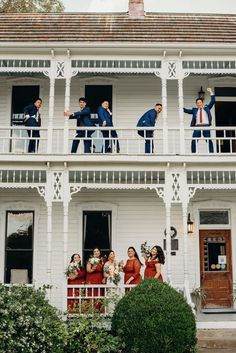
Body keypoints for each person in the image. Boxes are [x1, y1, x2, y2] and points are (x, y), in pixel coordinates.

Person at [183, 87, 215, 153]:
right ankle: (193, 153)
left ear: (202, 103)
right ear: (196, 104)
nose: (199, 104)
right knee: (194, 140)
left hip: (206, 126)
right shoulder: (194, 110)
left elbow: (212, 101)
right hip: (197, 127)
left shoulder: (207, 108)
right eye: (197, 103)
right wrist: (181, 107)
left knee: (208, 140)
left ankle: (211, 153)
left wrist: (211, 92)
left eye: (200, 102)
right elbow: (186, 110)